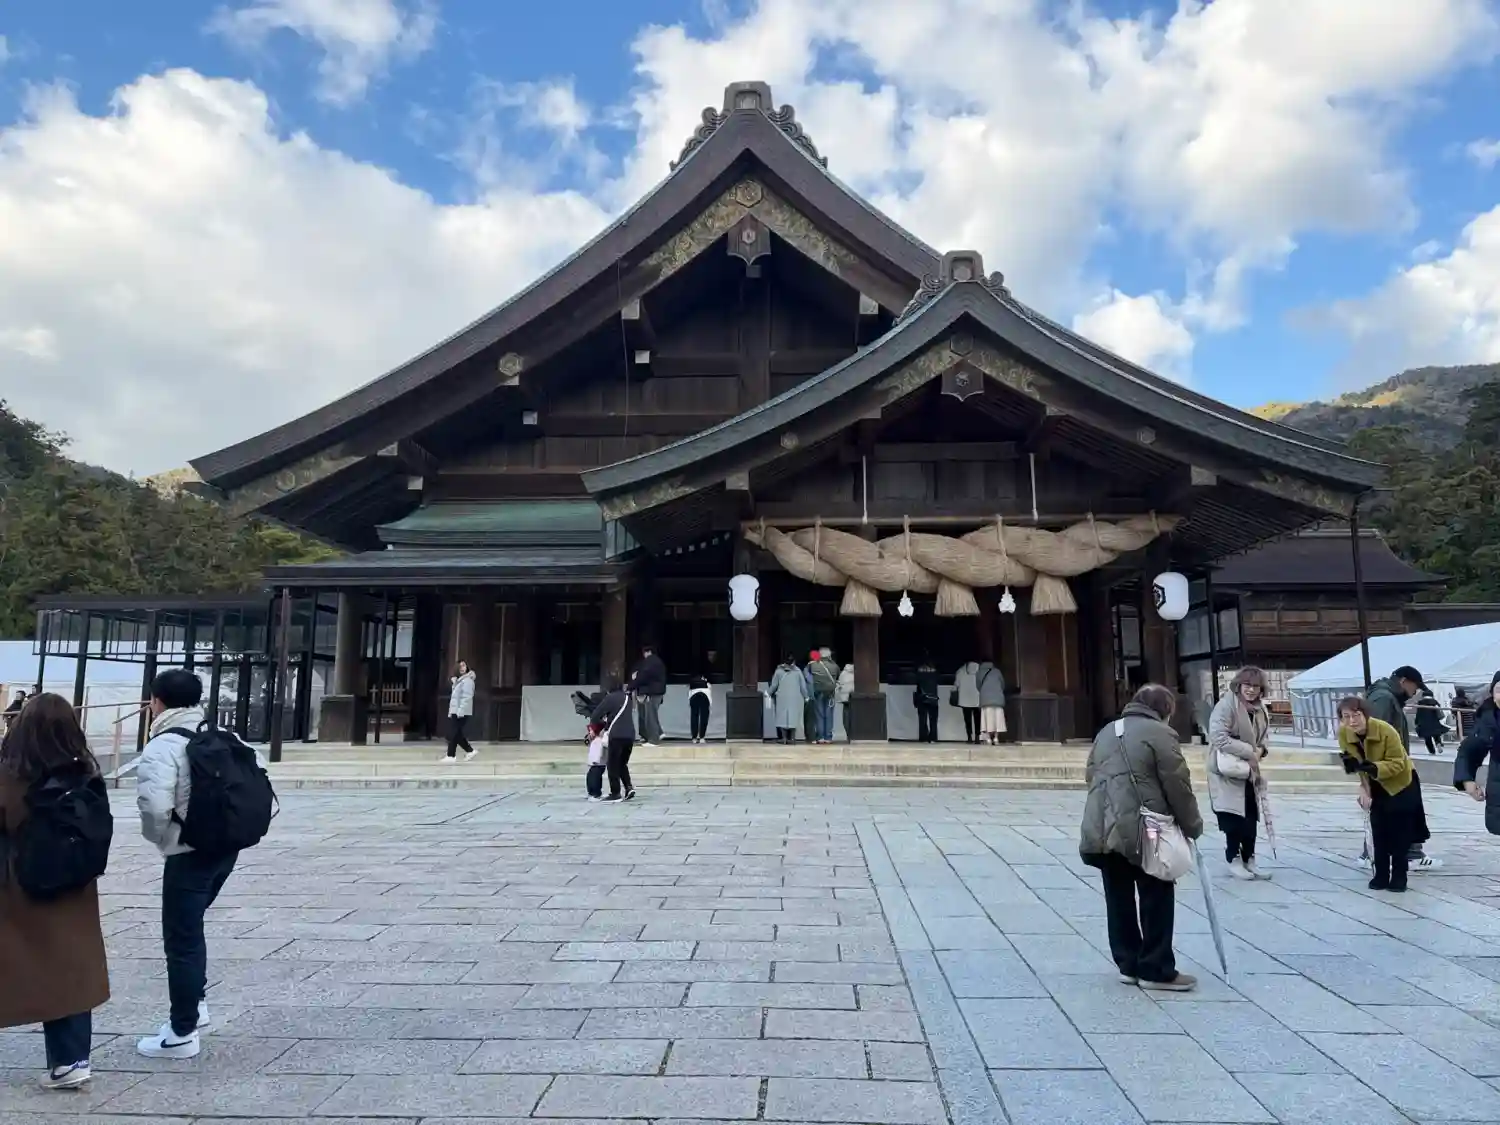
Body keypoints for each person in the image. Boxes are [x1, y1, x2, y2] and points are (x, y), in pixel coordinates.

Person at [135, 669, 254, 1059]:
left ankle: (181, 1032)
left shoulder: (163, 745)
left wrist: (162, 840)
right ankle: (196, 1004)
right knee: (191, 927)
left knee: (181, 939)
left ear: (157, 702)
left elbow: (154, 807)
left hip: (187, 852)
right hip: (226, 847)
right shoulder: (222, 734)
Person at [0, 693, 110, 1090]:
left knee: (15, 962)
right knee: (71, 967)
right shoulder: (85, 774)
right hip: (74, 886)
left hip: (19, 888)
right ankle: (71, 1059)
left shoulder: (11, 776)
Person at [1079, 683, 1203, 992]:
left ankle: (1129, 963)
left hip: (1104, 824)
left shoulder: (1106, 732)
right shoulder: (1161, 734)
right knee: (1156, 892)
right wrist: (1192, 824)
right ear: (1166, 710)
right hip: (1147, 827)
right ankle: (1156, 967)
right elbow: (1177, 784)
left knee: (1117, 896)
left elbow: (1091, 775)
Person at [1338, 696, 1420, 892]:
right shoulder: (1344, 733)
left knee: (1399, 832)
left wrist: (1373, 767)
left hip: (1402, 783)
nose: (1352, 721)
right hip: (1374, 783)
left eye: (1356, 715)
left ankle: (1400, 876)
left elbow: (1398, 763)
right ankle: (1381, 874)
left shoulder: (1385, 730)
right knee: (1378, 829)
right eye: (1346, 716)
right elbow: (1354, 763)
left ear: (1365, 714)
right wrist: (1364, 787)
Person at [1366, 666, 1436, 868]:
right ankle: (1407, 854)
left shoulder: (1388, 697)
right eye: (1415, 687)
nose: (1415, 692)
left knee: (1396, 811)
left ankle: (1379, 853)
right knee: (1401, 810)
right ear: (1404, 681)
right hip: (1389, 768)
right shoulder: (1383, 698)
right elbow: (1374, 734)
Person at [1206, 667, 1271, 881]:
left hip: (1249, 770)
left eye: (1256, 687)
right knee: (1233, 817)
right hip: (1228, 770)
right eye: (1247, 685)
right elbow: (1218, 737)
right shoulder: (1226, 706)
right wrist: (1249, 751)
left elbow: (1264, 736)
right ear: (1239, 685)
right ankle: (1232, 858)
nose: (1251, 690)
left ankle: (1249, 858)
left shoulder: (1260, 709)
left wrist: (1261, 750)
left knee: (1251, 817)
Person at [1453, 672, 1500, 834]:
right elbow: (1469, 751)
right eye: (1499, 690)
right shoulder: (1489, 720)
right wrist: (1467, 780)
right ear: (1492, 694)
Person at [589, 677, 637, 802]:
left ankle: (615, 793)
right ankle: (628, 787)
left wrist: (604, 724)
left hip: (616, 735)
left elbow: (595, 716)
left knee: (612, 764)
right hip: (630, 734)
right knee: (622, 763)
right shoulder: (627, 698)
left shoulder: (610, 698)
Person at [631, 646, 667, 748]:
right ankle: (658, 733)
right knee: (652, 715)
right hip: (658, 691)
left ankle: (654, 740)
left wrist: (632, 685)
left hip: (652, 692)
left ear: (647, 652)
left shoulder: (649, 662)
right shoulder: (658, 662)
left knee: (650, 716)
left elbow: (643, 676)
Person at [769, 654, 807, 745]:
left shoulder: (778, 671)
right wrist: (806, 696)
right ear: (794, 662)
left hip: (782, 697)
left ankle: (784, 738)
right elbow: (803, 686)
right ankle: (792, 738)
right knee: (793, 717)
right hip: (794, 697)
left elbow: (774, 685)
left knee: (782, 717)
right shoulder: (798, 672)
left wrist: (769, 693)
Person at [444, 660, 477, 763]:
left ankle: (451, 755)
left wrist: (461, 711)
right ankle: (470, 751)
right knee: (456, 734)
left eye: (464, 666)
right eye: (460, 666)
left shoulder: (468, 681)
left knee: (453, 733)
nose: (462, 668)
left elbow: (467, 697)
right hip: (455, 710)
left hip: (461, 711)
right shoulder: (458, 681)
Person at [806, 648, 840, 744]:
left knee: (819, 715)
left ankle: (820, 736)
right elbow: (837, 676)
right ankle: (828, 737)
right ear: (829, 655)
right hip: (830, 693)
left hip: (818, 692)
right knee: (829, 715)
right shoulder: (835, 666)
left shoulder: (812, 665)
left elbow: (807, 676)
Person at [976, 659, 1007, 745]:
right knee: (998, 719)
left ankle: (988, 738)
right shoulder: (997, 671)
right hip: (998, 698)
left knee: (987, 719)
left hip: (985, 699)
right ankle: (996, 738)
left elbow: (978, 686)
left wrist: (984, 692)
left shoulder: (979, 672)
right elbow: (1002, 684)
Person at [914, 656, 940, 743]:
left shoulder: (919, 673)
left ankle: (923, 737)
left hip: (922, 698)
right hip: (933, 698)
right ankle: (933, 737)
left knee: (922, 719)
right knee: (933, 720)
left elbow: (917, 684)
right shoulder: (935, 674)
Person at [955, 659, 981, 744]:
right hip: (977, 698)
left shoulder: (960, 671)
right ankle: (977, 737)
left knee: (967, 720)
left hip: (964, 699)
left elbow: (956, 684)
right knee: (978, 719)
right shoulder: (980, 670)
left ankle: (969, 737)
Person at [688, 668, 712, 744]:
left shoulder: (692, 676)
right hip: (705, 694)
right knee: (704, 716)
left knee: (694, 715)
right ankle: (702, 737)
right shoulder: (707, 675)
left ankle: (694, 737)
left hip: (693, 694)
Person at [584, 722, 607, 801]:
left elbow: (599, 752)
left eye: (591, 731)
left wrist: (596, 760)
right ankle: (593, 793)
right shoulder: (595, 740)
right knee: (593, 776)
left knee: (594, 777)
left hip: (598, 763)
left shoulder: (599, 741)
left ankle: (595, 793)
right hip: (596, 763)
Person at [835, 661, 855, 743]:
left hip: (844, 698)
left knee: (845, 716)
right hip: (853, 697)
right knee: (854, 716)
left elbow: (839, 685)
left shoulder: (843, 673)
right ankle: (853, 734)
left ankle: (848, 734)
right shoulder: (856, 674)